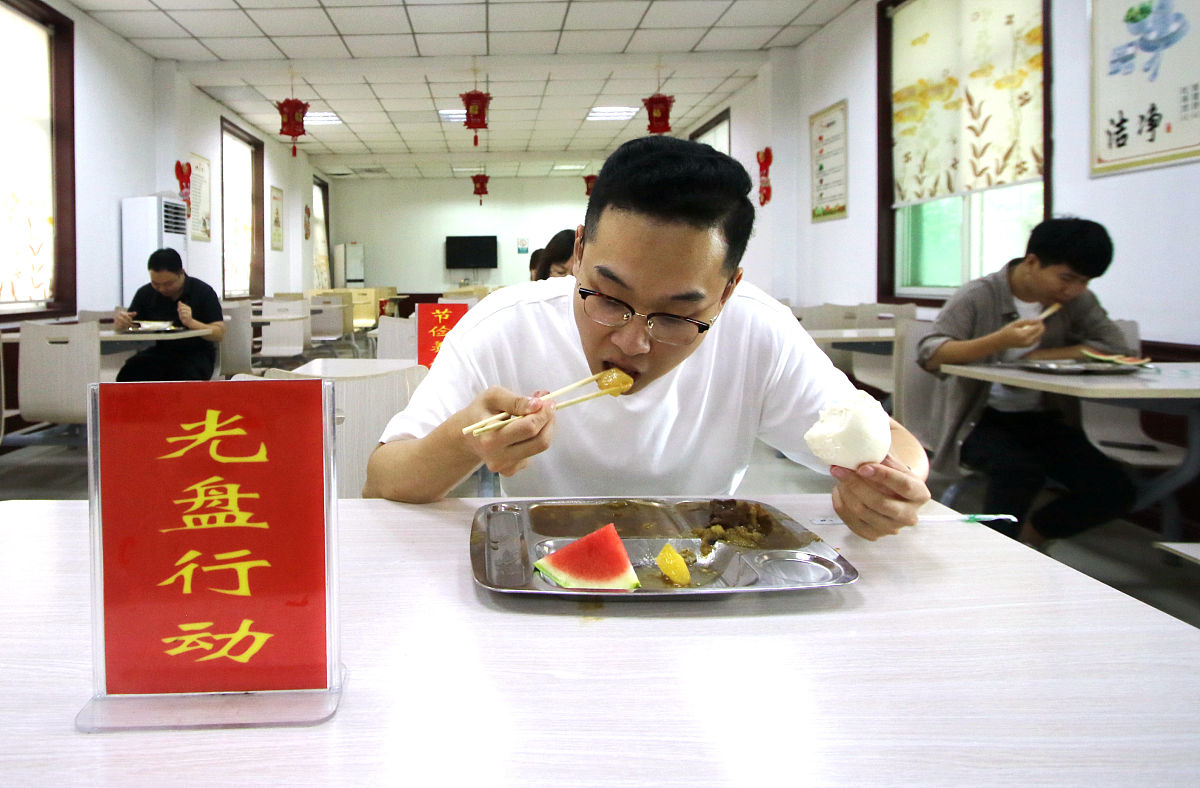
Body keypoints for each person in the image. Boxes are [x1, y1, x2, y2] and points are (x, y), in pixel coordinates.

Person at [364, 135, 931, 540]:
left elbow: (895, 443)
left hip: (703, 572)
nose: (633, 342)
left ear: (728, 291)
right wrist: (466, 439)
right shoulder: (505, 325)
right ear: (578, 253)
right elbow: (382, 480)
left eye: (677, 316)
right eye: (609, 299)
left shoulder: (759, 329)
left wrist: (889, 489)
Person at [917, 217, 1137, 547]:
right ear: (1032, 262)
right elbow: (930, 354)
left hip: (1042, 419)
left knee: (1115, 488)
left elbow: (1116, 347)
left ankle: (1028, 537)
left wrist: (1044, 354)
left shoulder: (1075, 301)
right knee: (1020, 470)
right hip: (977, 420)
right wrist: (999, 341)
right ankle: (999, 551)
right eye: (1067, 278)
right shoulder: (979, 295)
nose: (1074, 290)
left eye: (1085, 282)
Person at [114, 247, 226, 381]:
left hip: (196, 353)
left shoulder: (202, 292)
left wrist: (192, 323)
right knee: (129, 372)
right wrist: (122, 324)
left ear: (181, 273)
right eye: (156, 284)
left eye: (168, 284)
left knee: (184, 375)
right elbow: (133, 325)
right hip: (160, 352)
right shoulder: (145, 293)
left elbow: (219, 333)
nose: (162, 289)